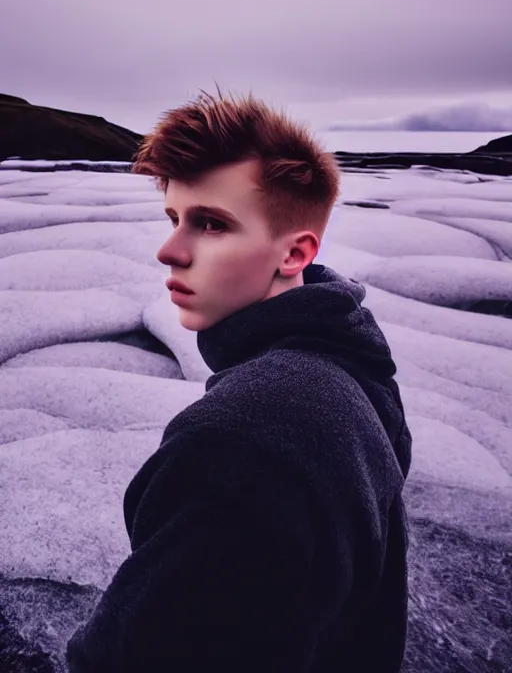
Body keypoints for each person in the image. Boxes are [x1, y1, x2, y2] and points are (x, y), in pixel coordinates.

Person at [66, 87, 412, 672]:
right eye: (174, 218)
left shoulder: (244, 440)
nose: (169, 250)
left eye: (211, 224)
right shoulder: (350, 364)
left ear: (294, 254)